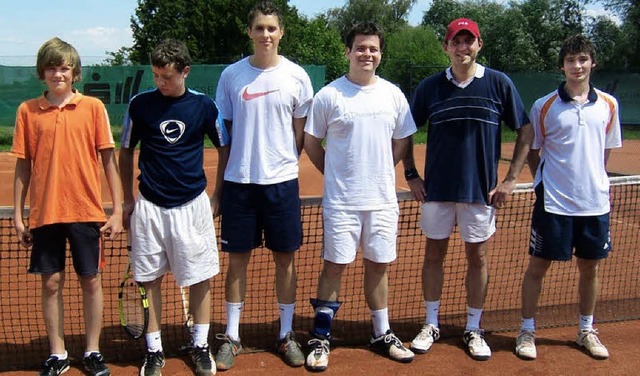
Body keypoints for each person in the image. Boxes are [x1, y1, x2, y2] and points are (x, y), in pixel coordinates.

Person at [403, 18, 533, 361]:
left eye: (468, 41)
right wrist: (412, 173)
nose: (463, 47)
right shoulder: (430, 88)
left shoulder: (498, 83)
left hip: (480, 193)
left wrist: (510, 179)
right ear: (447, 47)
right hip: (436, 192)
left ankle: (473, 327)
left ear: (479, 45)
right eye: (456, 41)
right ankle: (431, 323)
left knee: (477, 258)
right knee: (433, 256)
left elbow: (525, 130)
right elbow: (403, 131)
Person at [303, 21, 417, 372]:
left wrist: (379, 171)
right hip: (342, 203)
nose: (367, 54)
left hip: (382, 201)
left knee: (378, 266)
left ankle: (382, 333)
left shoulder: (393, 95)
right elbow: (311, 144)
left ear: (380, 54)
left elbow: (402, 141)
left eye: (373, 49)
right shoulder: (329, 96)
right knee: (334, 267)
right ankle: (320, 337)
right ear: (348, 52)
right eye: (360, 48)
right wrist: (339, 176)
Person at [12, 37, 123, 376]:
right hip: (45, 213)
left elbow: (108, 159)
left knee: (91, 281)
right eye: (51, 68)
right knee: (50, 284)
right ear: (41, 73)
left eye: (64, 68)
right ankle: (57, 354)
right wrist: (18, 216)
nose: (57, 73)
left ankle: (92, 350)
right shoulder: (27, 111)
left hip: (86, 211)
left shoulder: (92, 107)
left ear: (75, 72)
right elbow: (23, 166)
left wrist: (117, 210)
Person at [212, 0, 313, 370]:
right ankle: (233, 336)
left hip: (282, 185)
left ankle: (286, 334)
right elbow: (226, 134)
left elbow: (299, 133)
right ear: (250, 32)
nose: (265, 34)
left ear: (281, 32)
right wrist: (220, 189)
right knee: (237, 262)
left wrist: (281, 163)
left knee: (285, 260)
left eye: (272, 28)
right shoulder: (231, 76)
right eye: (259, 28)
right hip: (240, 184)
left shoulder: (297, 76)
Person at [119, 38, 228, 376]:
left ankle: (200, 345)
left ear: (185, 72)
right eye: (155, 76)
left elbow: (224, 147)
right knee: (149, 280)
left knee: (200, 279)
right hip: (150, 206)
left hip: (192, 206)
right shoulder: (139, 105)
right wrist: (126, 200)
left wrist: (217, 195)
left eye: (167, 76)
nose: (160, 83)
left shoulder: (204, 106)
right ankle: (154, 351)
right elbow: (125, 151)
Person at [515, 34, 621, 361]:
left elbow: (603, 154)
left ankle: (586, 330)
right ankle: (527, 330)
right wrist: (541, 183)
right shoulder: (544, 106)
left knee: (590, 269)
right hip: (554, 205)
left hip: (595, 205)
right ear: (562, 66)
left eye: (583, 60)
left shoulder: (609, 105)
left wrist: (594, 183)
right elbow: (534, 150)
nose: (577, 66)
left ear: (592, 63)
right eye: (571, 61)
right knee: (537, 267)